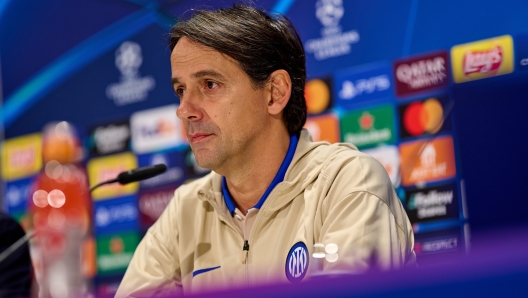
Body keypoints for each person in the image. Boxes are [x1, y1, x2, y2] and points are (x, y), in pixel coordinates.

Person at [116, 5, 415, 297]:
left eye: (209, 84)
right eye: (181, 90)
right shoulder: (186, 210)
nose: (185, 111)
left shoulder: (347, 184)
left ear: (275, 93)